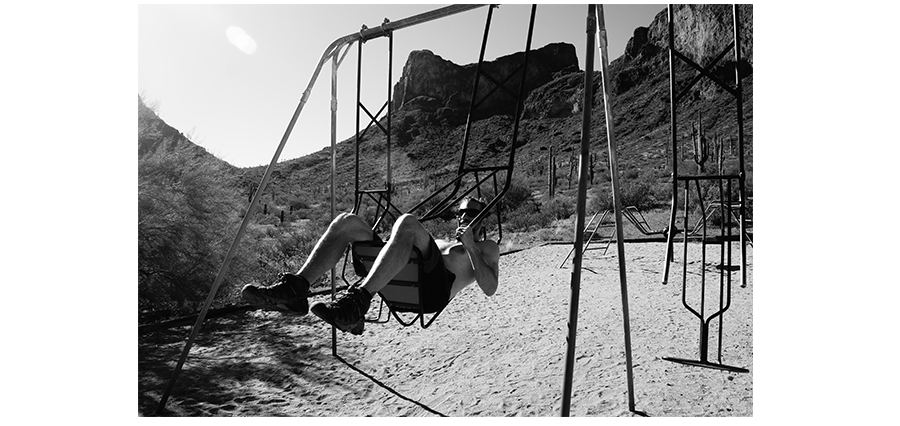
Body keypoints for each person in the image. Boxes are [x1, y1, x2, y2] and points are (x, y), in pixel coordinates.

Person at [241, 197, 500, 335]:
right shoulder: (440, 240)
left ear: (483, 219)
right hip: (405, 279)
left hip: (433, 292)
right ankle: (295, 289)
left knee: (408, 222)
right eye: (462, 213)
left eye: (473, 213)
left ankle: (358, 301)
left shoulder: (487, 248)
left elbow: (489, 288)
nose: (465, 217)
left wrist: (471, 246)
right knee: (347, 222)